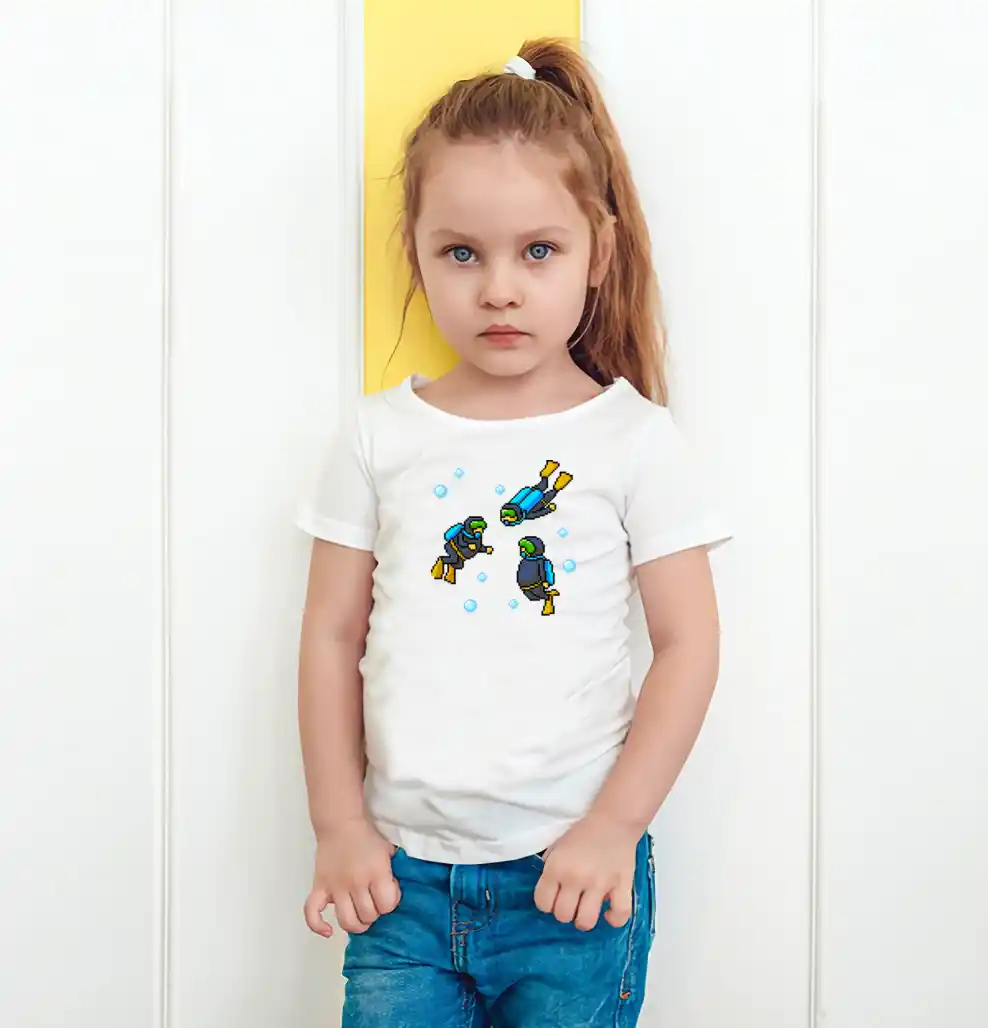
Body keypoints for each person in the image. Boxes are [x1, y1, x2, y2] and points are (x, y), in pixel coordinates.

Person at [296, 38, 731, 1028]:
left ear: (597, 253)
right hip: (398, 886)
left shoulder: (634, 441)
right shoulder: (377, 436)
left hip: (570, 882)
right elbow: (329, 635)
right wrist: (338, 825)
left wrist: (614, 826)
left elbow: (689, 645)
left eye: (538, 251)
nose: (499, 287)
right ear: (416, 253)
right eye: (463, 252)